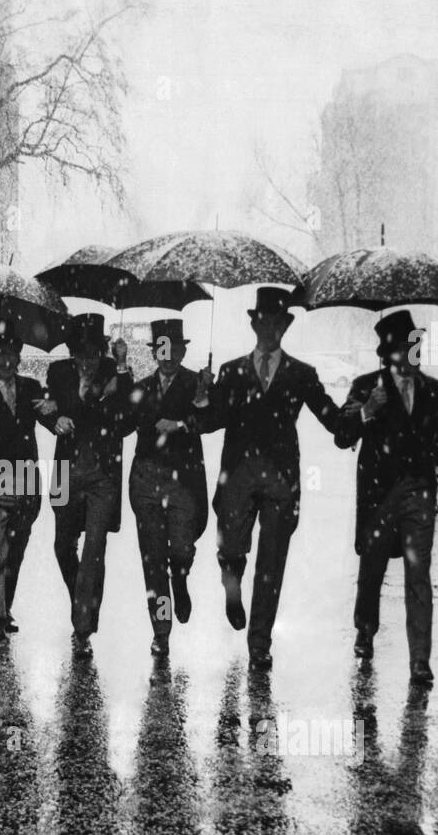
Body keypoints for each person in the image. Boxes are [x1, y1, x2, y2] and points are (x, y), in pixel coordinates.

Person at [193, 286, 344, 671]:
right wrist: (202, 396)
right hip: (239, 479)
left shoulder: (301, 374)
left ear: (284, 327)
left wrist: (365, 414)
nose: (268, 330)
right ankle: (231, 580)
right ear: (254, 324)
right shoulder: (232, 371)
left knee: (271, 564)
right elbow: (209, 423)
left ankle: (260, 642)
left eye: (275, 323)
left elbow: (335, 422)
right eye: (262, 322)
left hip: (280, 481)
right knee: (232, 550)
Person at [333, 311, 438, 686]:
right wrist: (368, 410)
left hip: (418, 494)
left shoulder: (435, 391)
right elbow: (342, 435)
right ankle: (365, 631)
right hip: (378, 497)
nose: (413, 353)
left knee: (419, 575)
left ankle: (420, 659)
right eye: (405, 347)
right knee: (372, 571)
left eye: (416, 345)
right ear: (389, 352)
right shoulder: (366, 386)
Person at [44, 312, 135, 658]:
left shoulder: (117, 373)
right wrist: (56, 419)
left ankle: (82, 625)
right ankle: (83, 600)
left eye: (93, 353)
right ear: (72, 354)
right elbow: (48, 408)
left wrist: (122, 368)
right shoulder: (58, 373)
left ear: (103, 352)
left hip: (102, 478)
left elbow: (126, 422)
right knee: (63, 547)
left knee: (94, 548)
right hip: (66, 473)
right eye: (80, 354)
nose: (87, 361)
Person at [0, 328, 55, 644]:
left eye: (11, 355)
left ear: (19, 358)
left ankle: (5, 609)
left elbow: (48, 415)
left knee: (15, 552)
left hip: (27, 484)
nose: (6, 361)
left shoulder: (31, 387)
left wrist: (53, 413)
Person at [127, 318, 208, 659]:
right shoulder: (142, 386)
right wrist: (120, 374)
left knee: (181, 550)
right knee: (153, 560)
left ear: (183, 351)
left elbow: (210, 421)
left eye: (174, 349)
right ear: (154, 352)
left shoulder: (195, 383)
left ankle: (182, 576)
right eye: (162, 348)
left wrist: (196, 407)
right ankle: (161, 631)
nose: (168, 355)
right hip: (146, 477)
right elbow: (124, 421)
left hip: (183, 480)